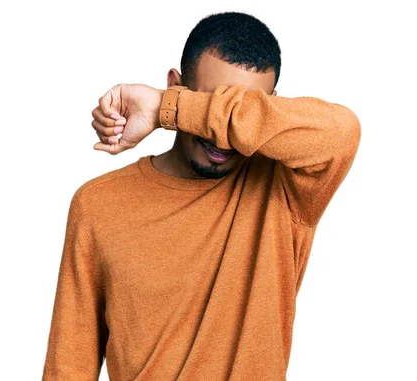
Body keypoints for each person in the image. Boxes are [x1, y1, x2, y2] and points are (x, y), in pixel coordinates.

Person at [42, 11, 361, 381]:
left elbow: (343, 131)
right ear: (176, 83)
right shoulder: (98, 204)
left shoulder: (285, 188)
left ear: (267, 108)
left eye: (234, 113)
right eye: (211, 103)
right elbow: (69, 364)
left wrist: (169, 108)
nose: (223, 136)